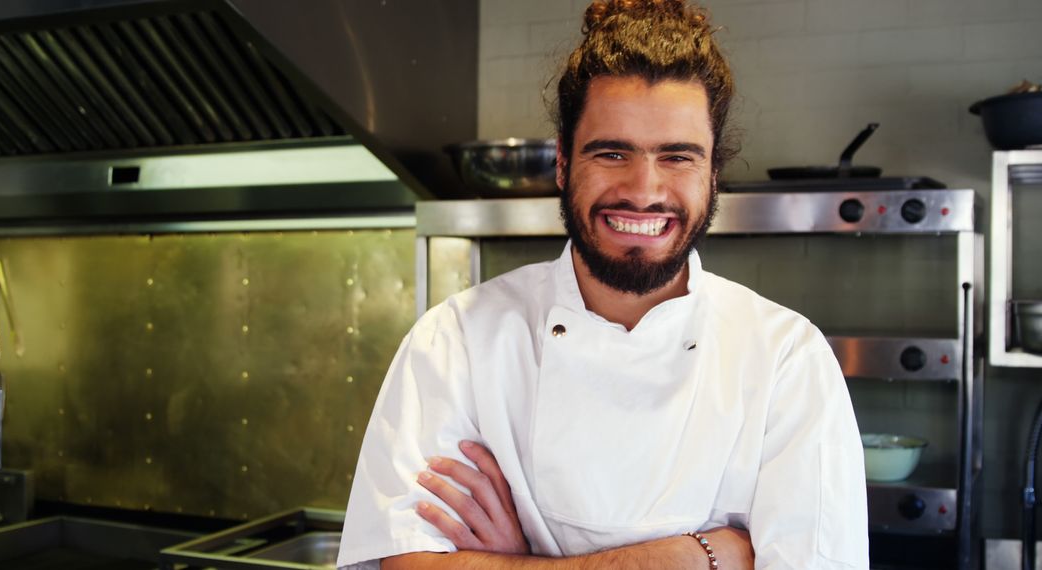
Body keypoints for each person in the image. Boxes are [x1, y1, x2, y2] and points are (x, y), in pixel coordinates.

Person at [336, 0, 868, 568]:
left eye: (677, 156)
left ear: (713, 175)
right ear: (563, 164)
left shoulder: (786, 358)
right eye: (612, 152)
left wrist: (519, 562)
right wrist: (703, 556)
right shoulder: (457, 341)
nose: (643, 190)